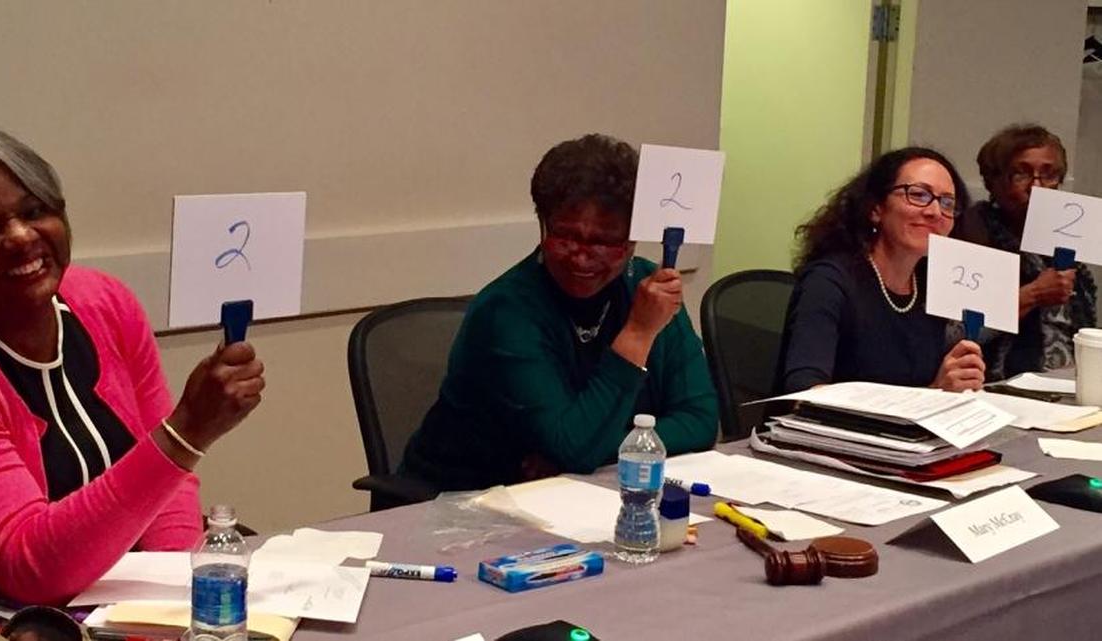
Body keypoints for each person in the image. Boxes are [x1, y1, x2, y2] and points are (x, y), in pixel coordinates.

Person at [0, 126, 265, 604]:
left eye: (35, 210)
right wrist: (187, 431)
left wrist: (174, 603)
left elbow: (173, 489)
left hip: (121, 610)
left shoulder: (104, 302)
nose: (21, 237)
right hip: (12, 620)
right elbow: (29, 564)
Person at [400, 133, 718, 490]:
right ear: (543, 225)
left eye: (603, 242)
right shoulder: (506, 310)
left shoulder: (650, 288)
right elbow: (576, 448)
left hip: (570, 494)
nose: (581, 257)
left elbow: (701, 419)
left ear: (632, 240)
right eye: (565, 236)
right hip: (460, 500)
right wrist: (638, 333)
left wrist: (602, 448)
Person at [778, 147, 985, 393]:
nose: (934, 212)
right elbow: (805, 391)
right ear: (876, 209)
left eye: (948, 203)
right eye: (918, 195)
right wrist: (934, 392)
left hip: (909, 430)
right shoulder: (829, 281)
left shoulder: (932, 285)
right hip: (822, 430)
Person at [953, 124, 1098, 380]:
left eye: (1049, 174)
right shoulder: (972, 233)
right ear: (992, 182)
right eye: (1020, 174)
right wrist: (1032, 295)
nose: (1037, 186)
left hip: (1069, 382)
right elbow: (956, 332)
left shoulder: (1063, 241)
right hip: (997, 383)